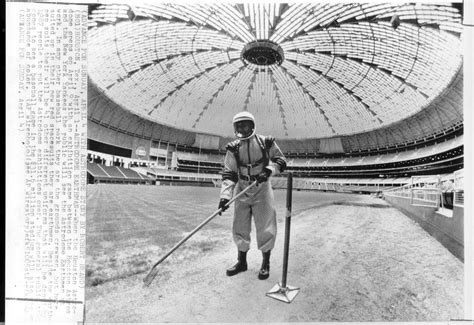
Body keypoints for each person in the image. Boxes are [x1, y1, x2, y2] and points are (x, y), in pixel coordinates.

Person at [218, 111, 286, 280]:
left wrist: (268, 171)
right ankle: (242, 262)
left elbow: (280, 161)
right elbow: (229, 173)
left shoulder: (266, 142)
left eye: (244, 125)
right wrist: (225, 197)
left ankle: (266, 263)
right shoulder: (233, 148)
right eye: (238, 126)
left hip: (262, 189)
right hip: (242, 189)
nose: (241, 128)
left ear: (252, 126)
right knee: (240, 226)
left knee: (266, 226)